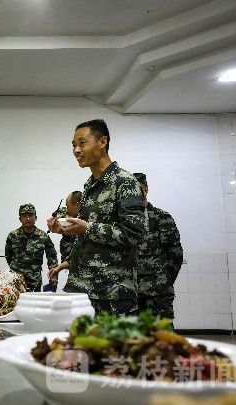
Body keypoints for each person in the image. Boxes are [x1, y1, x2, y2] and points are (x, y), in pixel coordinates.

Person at [47, 119, 146, 316]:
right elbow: (88, 237)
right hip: (80, 288)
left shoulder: (125, 183)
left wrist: (88, 228)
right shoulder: (90, 186)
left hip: (110, 293)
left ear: (102, 142)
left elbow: (135, 234)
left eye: (82, 143)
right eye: (74, 145)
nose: (76, 150)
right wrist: (66, 230)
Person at [133, 172, 183, 319]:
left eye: (137, 189)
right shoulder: (122, 222)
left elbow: (175, 255)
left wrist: (163, 281)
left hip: (157, 295)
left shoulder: (161, 218)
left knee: (160, 332)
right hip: (129, 295)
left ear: (146, 189)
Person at [5, 203, 58, 292]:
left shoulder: (43, 236)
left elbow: (52, 257)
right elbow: (8, 256)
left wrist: (53, 276)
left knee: (35, 301)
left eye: (30, 215)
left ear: (35, 218)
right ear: (20, 219)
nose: (28, 219)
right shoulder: (12, 236)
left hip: (34, 282)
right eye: (24, 216)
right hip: (16, 281)